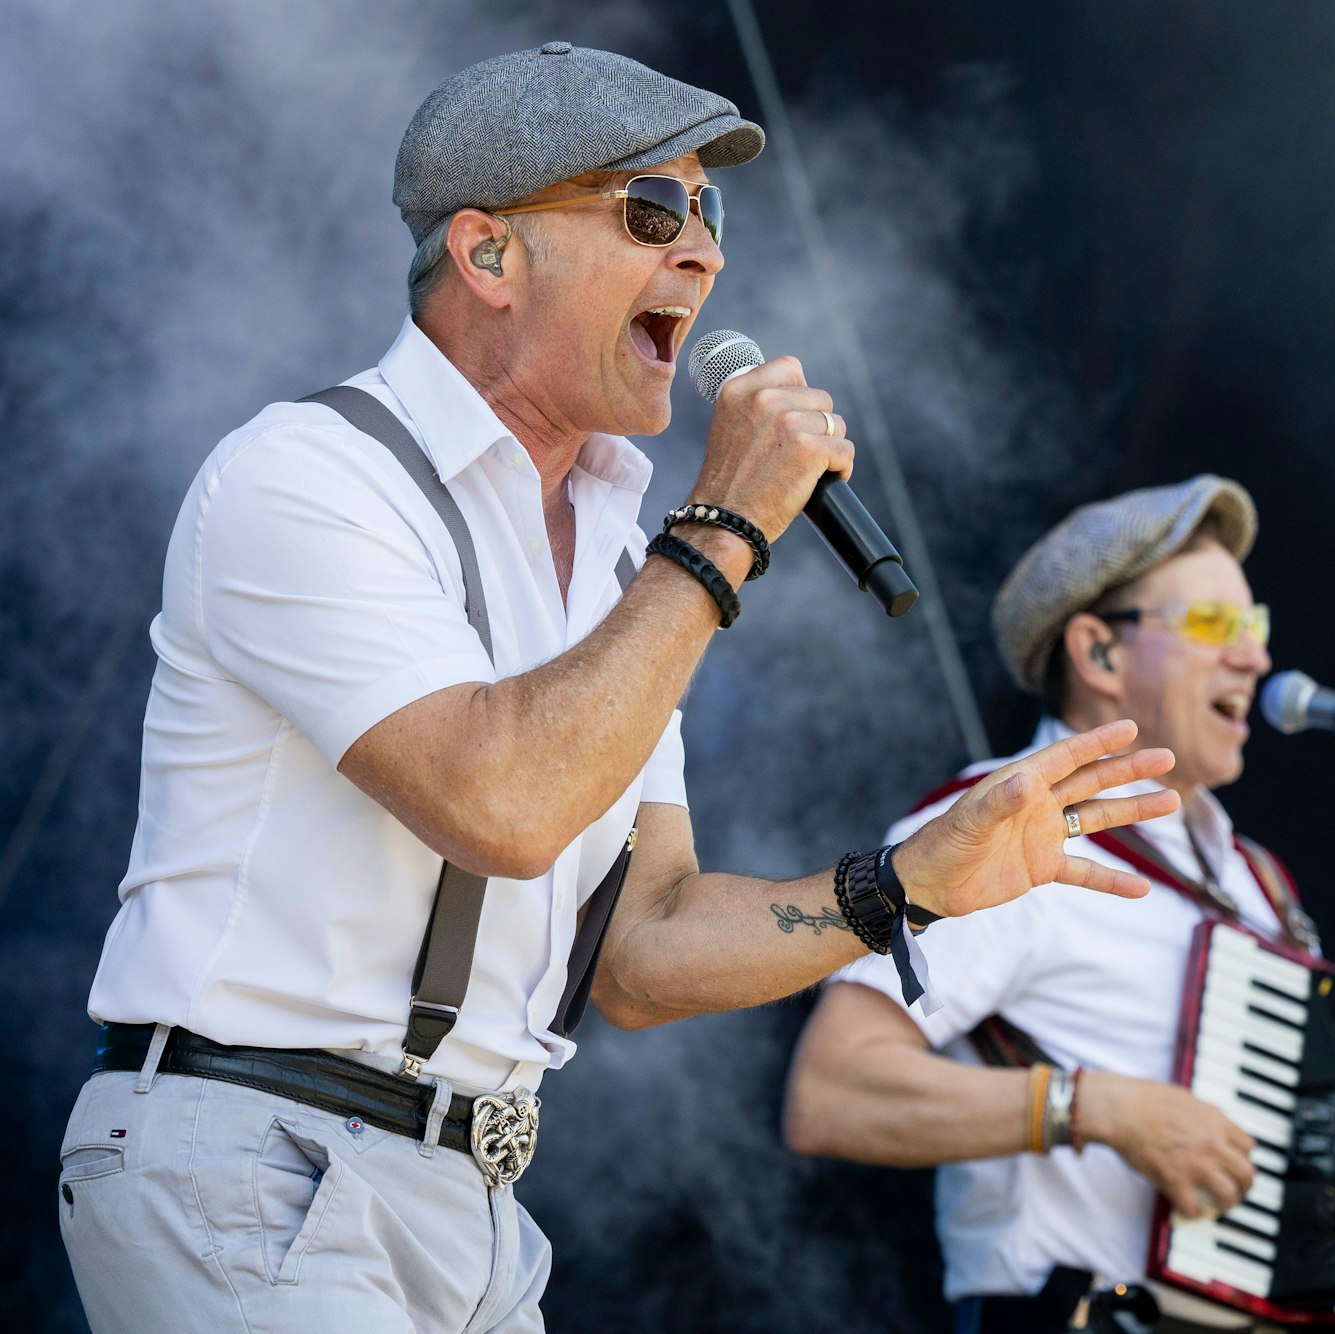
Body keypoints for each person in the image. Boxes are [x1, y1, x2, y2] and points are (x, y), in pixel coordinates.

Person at [55, 45, 1182, 1333]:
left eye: (714, 216)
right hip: (258, 1154)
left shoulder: (610, 554)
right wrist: (721, 530)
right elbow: (504, 802)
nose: (702, 253)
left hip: (466, 1199)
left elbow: (642, 951)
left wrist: (905, 881)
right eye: (653, 209)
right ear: (487, 256)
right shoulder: (310, 473)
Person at [784, 478, 1316, 1333]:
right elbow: (834, 1090)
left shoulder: (1256, 882)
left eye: (1252, 628)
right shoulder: (985, 837)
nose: (1253, 656)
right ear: (1099, 654)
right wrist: (1092, 1109)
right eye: (1215, 626)